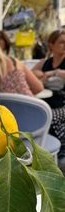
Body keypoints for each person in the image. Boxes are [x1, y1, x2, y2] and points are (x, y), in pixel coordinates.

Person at [32, 29, 65, 158]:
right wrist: (40, 74)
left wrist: (53, 73)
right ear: (51, 45)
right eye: (61, 42)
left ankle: (55, 152)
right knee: (35, 116)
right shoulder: (45, 62)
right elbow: (31, 73)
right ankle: (37, 149)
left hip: (62, 103)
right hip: (46, 102)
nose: (64, 45)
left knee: (50, 118)